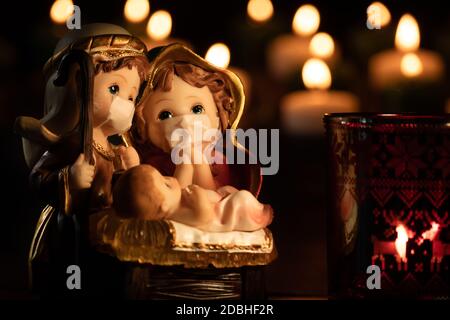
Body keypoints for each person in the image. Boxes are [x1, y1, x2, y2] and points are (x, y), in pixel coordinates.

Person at [113, 165, 273, 232]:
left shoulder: (174, 203)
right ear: (163, 207)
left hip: (218, 201)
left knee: (229, 191)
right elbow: (204, 215)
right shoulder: (177, 214)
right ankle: (260, 214)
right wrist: (198, 195)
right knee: (242, 198)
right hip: (219, 216)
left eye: (163, 176)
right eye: (165, 184)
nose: (169, 178)